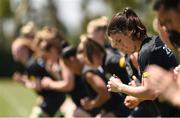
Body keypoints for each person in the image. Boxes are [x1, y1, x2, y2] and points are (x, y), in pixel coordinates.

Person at [106, 7, 179, 116]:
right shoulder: (153, 42)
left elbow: (150, 92)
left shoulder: (146, 52)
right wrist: (139, 90)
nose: (120, 47)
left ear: (129, 32)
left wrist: (119, 87)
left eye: (119, 41)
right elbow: (156, 89)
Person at [11, 37, 66, 117]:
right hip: (55, 97)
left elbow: (38, 87)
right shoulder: (32, 61)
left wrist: (24, 82)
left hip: (53, 98)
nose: (13, 53)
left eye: (15, 50)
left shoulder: (31, 65)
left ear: (24, 50)